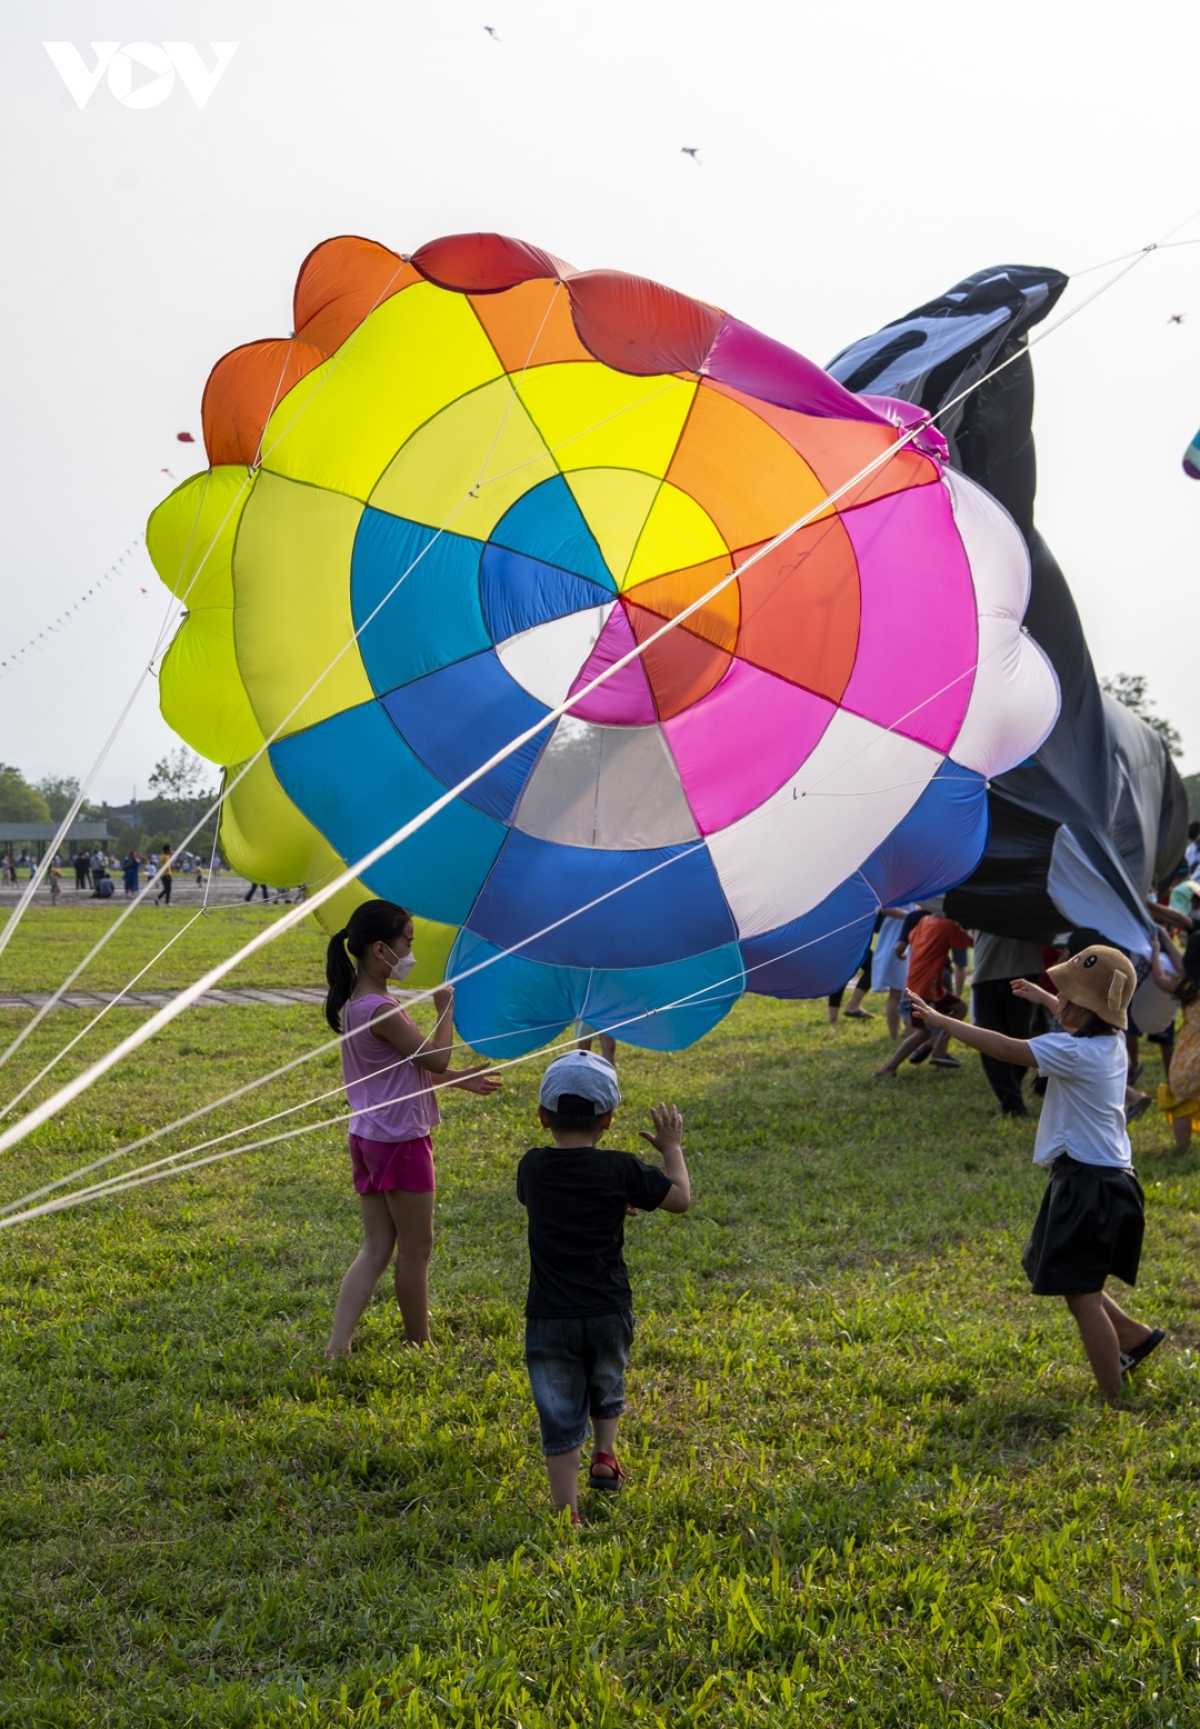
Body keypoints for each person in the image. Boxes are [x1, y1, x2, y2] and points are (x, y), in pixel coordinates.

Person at [910, 945, 1164, 1403]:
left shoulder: (1072, 1052)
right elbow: (1080, 1015)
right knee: (1066, 1273)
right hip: (1106, 1180)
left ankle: (1113, 1396)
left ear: (1084, 1009)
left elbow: (1009, 1048)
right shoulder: (1109, 1045)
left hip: (1089, 1185)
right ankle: (1136, 1337)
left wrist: (943, 1021)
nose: (1059, 998)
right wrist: (1044, 998)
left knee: (1081, 1295)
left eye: (1065, 994)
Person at [517, 1051, 691, 1525]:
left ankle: (566, 1511)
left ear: (542, 1116)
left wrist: (612, 1200)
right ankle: (606, 1454)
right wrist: (671, 1149)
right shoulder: (620, 1169)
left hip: (550, 1316)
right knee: (606, 1382)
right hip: (608, 1310)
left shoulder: (531, 1167)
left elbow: (556, 1200)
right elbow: (680, 1200)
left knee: (559, 1410)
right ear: (609, 1121)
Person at [323, 899, 500, 1357]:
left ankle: (338, 1346)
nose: (410, 952)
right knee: (417, 1248)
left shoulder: (355, 1005)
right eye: (407, 942)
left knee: (377, 1245)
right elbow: (435, 1056)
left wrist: (462, 1080)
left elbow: (412, 1066)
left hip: (367, 1136)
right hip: (400, 1140)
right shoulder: (381, 1009)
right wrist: (445, 1010)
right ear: (380, 949)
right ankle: (420, 1344)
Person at [874, 912, 972, 1078]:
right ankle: (888, 1069)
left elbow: (903, 945)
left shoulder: (924, 921)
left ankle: (940, 1052)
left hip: (920, 982)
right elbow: (969, 943)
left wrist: (901, 954)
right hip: (925, 986)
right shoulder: (948, 925)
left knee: (960, 1008)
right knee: (923, 1032)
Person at [971, 930, 1047, 1117]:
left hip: (1024, 967)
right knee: (989, 1041)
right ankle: (1011, 1103)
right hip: (987, 969)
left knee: (1019, 1039)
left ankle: (1012, 1100)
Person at [1150, 930, 1200, 1151]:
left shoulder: (1187, 985)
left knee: (1180, 1099)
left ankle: (1182, 1147)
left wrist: (1155, 952)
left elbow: (1160, 979)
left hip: (1191, 1053)